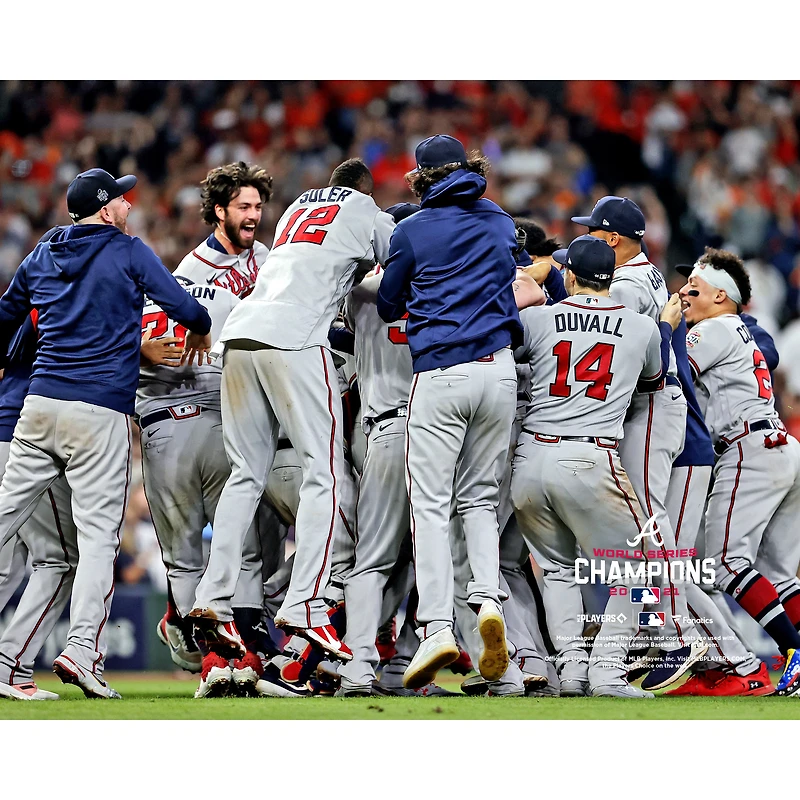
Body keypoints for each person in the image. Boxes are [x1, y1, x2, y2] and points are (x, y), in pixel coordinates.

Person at [0, 168, 212, 699]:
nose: (127, 203)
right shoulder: (128, 250)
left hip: (39, 406)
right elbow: (186, 308)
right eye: (121, 197)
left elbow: (5, 320)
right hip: (98, 412)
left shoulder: (41, 255)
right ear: (104, 208)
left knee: (3, 516)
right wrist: (202, 327)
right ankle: (82, 652)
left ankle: (28, 658)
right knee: (96, 540)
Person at [189, 158, 394, 662]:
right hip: (298, 339)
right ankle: (305, 603)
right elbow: (403, 272)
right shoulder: (368, 210)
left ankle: (212, 598)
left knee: (245, 476)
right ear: (365, 189)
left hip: (240, 335)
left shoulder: (294, 211)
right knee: (324, 474)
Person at [376, 134, 532, 690]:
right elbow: (519, 278)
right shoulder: (497, 219)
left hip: (442, 372)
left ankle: (439, 625)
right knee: (481, 501)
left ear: (420, 177)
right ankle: (488, 599)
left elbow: (389, 302)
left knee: (431, 505)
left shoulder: (411, 229)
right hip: (499, 373)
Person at [510, 234, 677, 698]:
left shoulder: (538, 318)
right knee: (641, 566)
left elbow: (512, 352)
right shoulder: (641, 326)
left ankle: (573, 669)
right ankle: (607, 669)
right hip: (590, 456)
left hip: (530, 458)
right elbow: (652, 377)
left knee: (557, 569)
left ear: (569, 275)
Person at [571, 196, 708, 690]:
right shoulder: (643, 274)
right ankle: (657, 632)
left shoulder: (625, 284)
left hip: (650, 404)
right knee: (641, 524)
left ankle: (676, 633)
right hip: (651, 405)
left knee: (647, 518)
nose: (584, 236)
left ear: (611, 239)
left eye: (592, 231)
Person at [679, 247, 800, 697]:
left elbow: (669, 377)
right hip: (779, 444)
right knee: (777, 571)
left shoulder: (711, 330)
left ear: (722, 297)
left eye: (696, 288)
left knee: (726, 564)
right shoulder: (739, 331)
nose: (685, 294)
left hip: (748, 448)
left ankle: (793, 653)